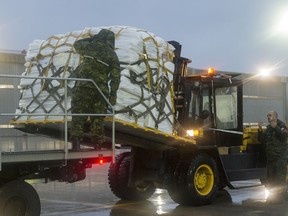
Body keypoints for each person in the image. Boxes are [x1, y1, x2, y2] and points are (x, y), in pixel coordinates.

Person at [70, 29, 121, 150]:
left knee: (78, 115)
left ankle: (76, 143)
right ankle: (97, 145)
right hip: (100, 90)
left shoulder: (89, 47)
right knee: (98, 118)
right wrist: (112, 96)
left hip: (83, 87)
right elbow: (116, 77)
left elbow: (76, 44)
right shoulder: (112, 55)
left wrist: (92, 39)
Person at [258, 111, 288, 203]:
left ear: (275, 116)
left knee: (280, 179)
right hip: (271, 158)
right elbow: (262, 140)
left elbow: (284, 137)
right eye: (267, 115)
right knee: (271, 179)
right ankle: (273, 197)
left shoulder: (282, 126)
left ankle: (281, 198)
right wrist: (259, 130)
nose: (268, 117)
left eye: (270, 115)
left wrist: (276, 128)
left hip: (280, 158)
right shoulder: (268, 128)